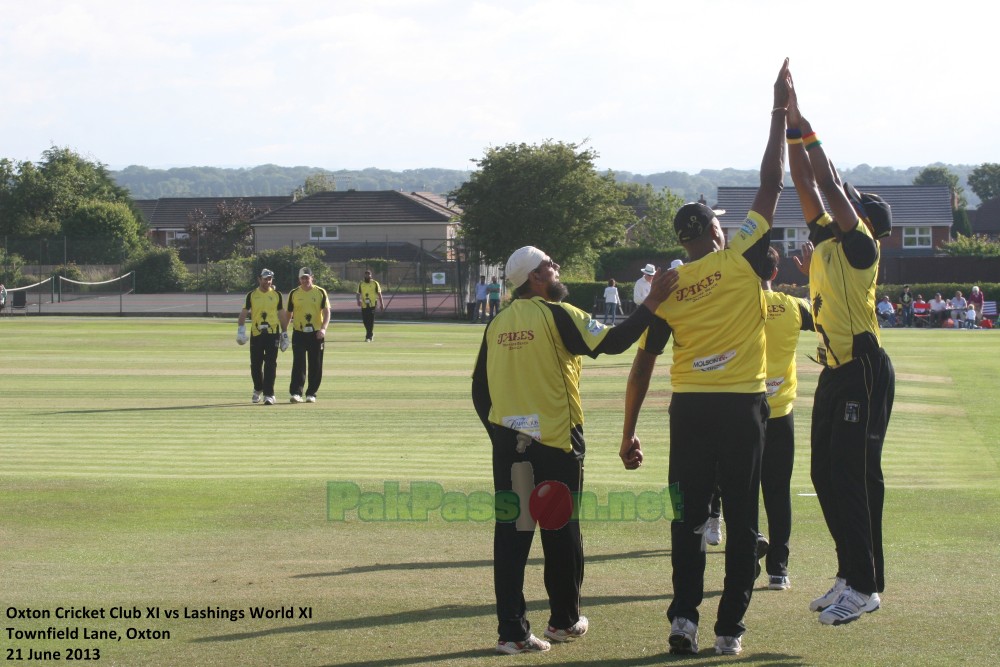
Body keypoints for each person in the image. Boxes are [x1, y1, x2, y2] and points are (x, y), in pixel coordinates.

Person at [619, 58, 790, 657]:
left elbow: (641, 364)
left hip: (687, 411)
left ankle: (683, 621)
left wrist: (628, 433)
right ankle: (729, 629)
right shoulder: (741, 255)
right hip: (742, 409)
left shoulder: (664, 288)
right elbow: (772, 182)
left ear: (681, 241)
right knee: (742, 522)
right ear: (714, 233)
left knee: (686, 517)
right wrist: (779, 113)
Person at [472, 246, 677, 655]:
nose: (557, 267)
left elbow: (480, 390)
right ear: (535, 277)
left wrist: (502, 437)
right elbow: (615, 341)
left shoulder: (496, 324)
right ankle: (563, 622)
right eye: (550, 264)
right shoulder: (557, 313)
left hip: (511, 445)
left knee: (513, 537)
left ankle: (511, 632)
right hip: (557, 443)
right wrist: (653, 301)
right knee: (562, 534)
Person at [786, 75, 895, 626]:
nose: (836, 206)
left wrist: (809, 129)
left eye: (851, 205)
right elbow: (806, 184)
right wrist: (789, 128)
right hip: (835, 370)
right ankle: (851, 574)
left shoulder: (861, 245)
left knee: (852, 475)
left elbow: (826, 185)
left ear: (866, 221)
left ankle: (866, 586)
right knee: (825, 476)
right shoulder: (828, 243)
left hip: (864, 367)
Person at [236, 269, 288, 405]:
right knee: (255, 364)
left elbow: (282, 314)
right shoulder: (252, 295)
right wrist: (241, 330)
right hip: (257, 333)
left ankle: (269, 394)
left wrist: (284, 333)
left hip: (272, 334)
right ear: (259, 279)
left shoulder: (277, 295)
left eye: (270, 279)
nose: (268, 281)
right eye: (265, 279)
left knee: (271, 364)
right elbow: (244, 313)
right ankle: (258, 388)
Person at [283, 267, 330, 403]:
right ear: (299, 279)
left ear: (312, 277)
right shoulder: (294, 293)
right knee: (298, 363)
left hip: (316, 333)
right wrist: (284, 331)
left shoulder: (320, 292)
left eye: (307, 277)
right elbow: (289, 314)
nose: (305, 280)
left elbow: (327, 312)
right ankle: (296, 393)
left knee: (315, 363)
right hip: (299, 332)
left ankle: (312, 393)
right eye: (302, 278)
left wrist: (323, 329)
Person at [356, 270, 385, 342]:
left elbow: (379, 294)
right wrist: (358, 300)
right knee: (365, 321)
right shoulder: (361, 284)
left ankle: (368, 337)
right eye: (366, 275)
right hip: (364, 305)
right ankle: (370, 334)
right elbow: (358, 293)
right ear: (364, 276)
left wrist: (382, 304)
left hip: (373, 305)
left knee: (371, 320)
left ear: (371, 275)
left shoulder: (375, 283)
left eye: (368, 275)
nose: (367, 276)